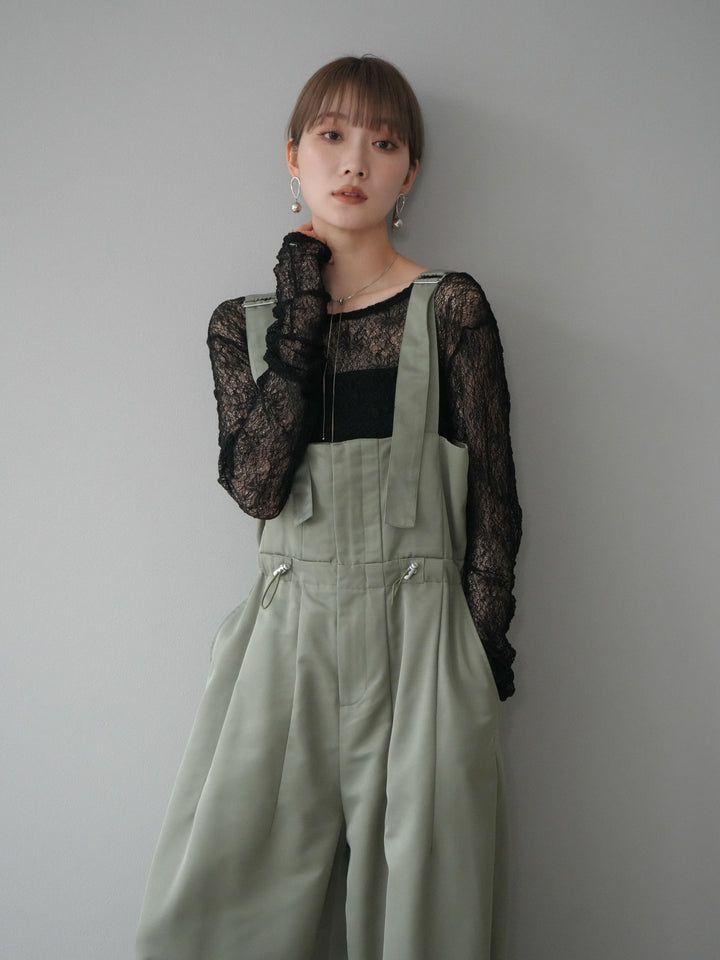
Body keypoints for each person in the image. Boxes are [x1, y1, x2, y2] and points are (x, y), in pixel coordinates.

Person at [137, 54, 522, 960]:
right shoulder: (244, 324)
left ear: (410, 170)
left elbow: (496, 504)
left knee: (427, 921)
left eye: (384, 143)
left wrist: (475, 662)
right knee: (222, 914)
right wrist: (301, 303)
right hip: (285, 642)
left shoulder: (449, 308)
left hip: (425, 638)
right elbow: (256, 488)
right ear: (293, 155)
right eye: (333, 135)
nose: (355, 162)